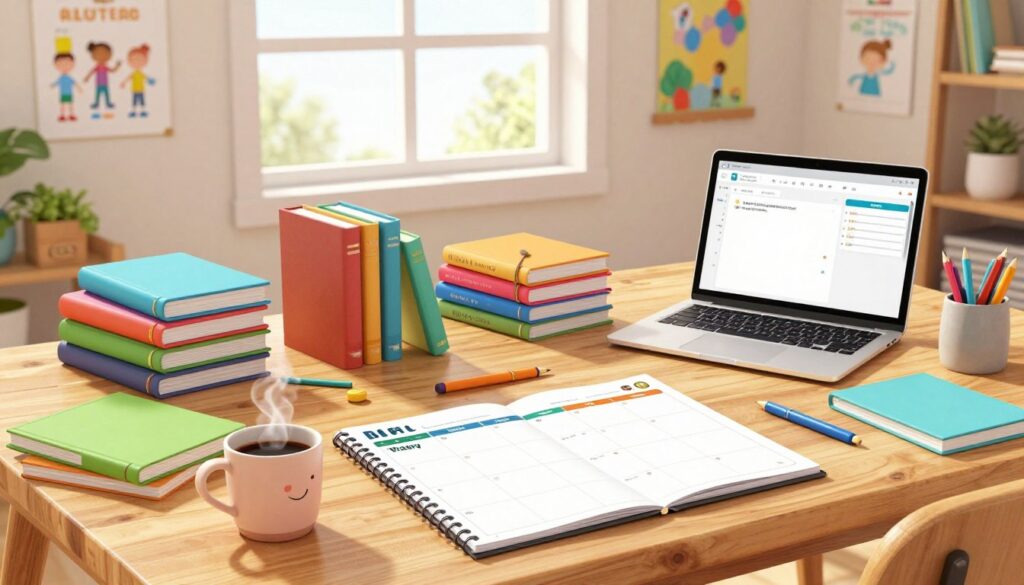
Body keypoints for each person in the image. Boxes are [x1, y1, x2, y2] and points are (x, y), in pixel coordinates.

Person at [83, 41, 121, 118]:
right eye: (98, 54)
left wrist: (117, 66)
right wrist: (87, 78)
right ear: (93, 56)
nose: (102, 56)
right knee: (98, 94)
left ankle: (108, 103)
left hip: (105, 83)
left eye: (105, 54)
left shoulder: (105, 67)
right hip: (98, 83)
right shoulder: (97, 67)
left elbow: (113, 70)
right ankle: (96, 103)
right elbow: (91, 72)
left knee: (106, 94)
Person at [120, 44, 155, 118]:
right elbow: (128, 78)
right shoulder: (134, 73)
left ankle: (142, 111)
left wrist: (151, 81)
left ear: (145, 61)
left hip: (141, 90)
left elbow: (147, 78)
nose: (136, 62)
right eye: (133, 59)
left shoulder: (141, 74)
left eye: (139, 59)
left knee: (141, 101)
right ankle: (133, 111)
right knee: (134, 101)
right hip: (135, 90)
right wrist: (123, 83)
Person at [51, 52, 81, 122]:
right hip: (63, 94)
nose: (65, 66)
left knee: (70, 104)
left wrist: (79, 89)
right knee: (63, 105)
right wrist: (52, 86)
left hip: (69, 93)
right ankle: (62, 115)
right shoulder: (61, 78)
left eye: (68, 63)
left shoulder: (69, 78)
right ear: (56, 65)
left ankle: (71, 115)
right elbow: (56, 83)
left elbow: (75, 83)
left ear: (73, 64)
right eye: (61, 64)